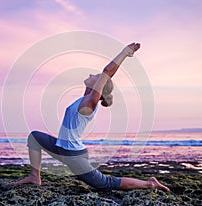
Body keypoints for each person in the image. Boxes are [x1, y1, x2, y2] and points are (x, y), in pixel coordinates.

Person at [16, 43, 170, 192]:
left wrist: (125, 52)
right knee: (34, 137)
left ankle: (149, 184)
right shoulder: (85, 98)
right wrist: (90, 85)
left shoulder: (89, 103)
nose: (91, 75)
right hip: (61, 147)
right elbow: (98, 80)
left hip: (73, 156)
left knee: (106, 184)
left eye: (95, 76)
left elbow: (107, 71)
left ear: (99, 86)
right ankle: (34, 177)